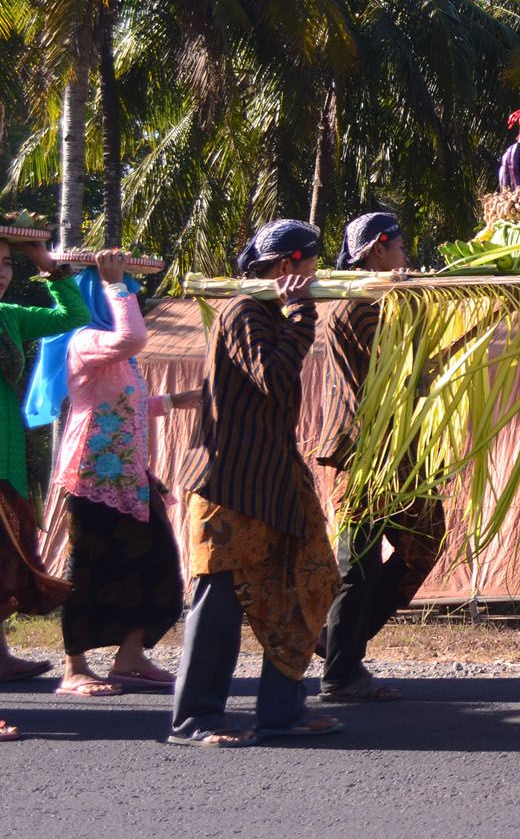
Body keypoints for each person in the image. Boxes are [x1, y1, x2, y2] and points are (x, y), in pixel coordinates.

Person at [171, 219, 343, 748]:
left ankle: (281, 711)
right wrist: (301, 312)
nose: (315, 275)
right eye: (310, 265)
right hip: (229, 484)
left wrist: (292, 313)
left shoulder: (267, 310)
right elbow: (274, 377)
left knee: (302, 584)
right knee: (218, 602)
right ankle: (196, 718)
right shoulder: (246, 310)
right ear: (291, 266)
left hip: (274, 479)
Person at [23, 252, 197, 699]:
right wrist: (115, 283)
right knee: (90, 570)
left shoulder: (116, 357)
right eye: (124, 295)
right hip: (91, 475)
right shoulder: (85, 340)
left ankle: (130, 655)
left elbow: (128, 407)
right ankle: (74, 668)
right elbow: (133, 336)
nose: (132, 300)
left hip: (129, 475)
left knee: (156, 563)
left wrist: (179, 400)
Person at [312, 212, 442, 704]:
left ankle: (339, 641)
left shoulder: (380, 306)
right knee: (359, 563)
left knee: (425, 541)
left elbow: (416, 374)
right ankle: (341, 671)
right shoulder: (360, 307)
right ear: (376, 250)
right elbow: (403, 368)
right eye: (401, 246)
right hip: (362, 449)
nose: (406, 257)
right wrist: (416, 304)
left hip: (396, 445)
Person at [0, 234, 88, 740]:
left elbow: (70, 316)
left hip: (8, 457)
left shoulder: (10, 316)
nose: (3, 273)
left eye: (8, 264)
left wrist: (46, 266)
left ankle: (2, 656)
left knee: (8, 563)